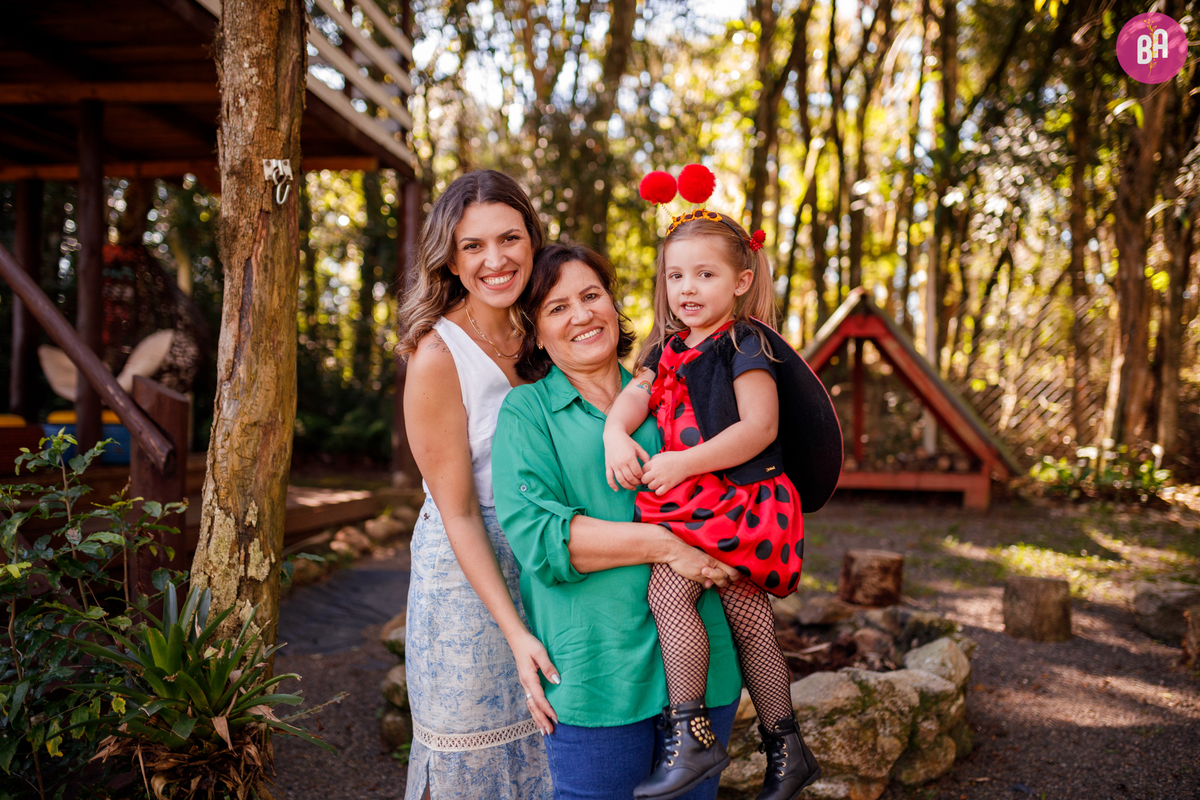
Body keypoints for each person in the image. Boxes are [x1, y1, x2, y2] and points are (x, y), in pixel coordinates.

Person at [603, 172, 838, 800]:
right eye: (676, 276)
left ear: (739, 282)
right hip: (706, 501)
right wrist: (614, 437)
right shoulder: (664, 348)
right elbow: (631, 397)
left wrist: (684, 463)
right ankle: (785, 749)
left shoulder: (744, 342)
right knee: (745, 614)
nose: (687, 288)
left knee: (670, 589)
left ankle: (696, 741)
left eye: (705, 275)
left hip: (743, 498)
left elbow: (759, 429)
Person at [491, 243, 745, 800]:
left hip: (705, 669)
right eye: (557, 308)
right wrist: (665, 545)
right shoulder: (527, 413)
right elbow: (542, 540)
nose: (581, 314)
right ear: (534, 332)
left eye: (590, 295)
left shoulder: (682, 384)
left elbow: (746, 483)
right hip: (596, 674)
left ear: (613, 303)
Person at [396, 170, 554, 800]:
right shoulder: (438, 354)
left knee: (545, 746)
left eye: (510, 238)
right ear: (451, 260)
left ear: (533, 241)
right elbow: (457, 513)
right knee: (476, 756)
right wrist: (514, 632)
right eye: (473, 246)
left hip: (545, 562)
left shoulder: (543, 328)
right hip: (465, 579)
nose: (496, 259)